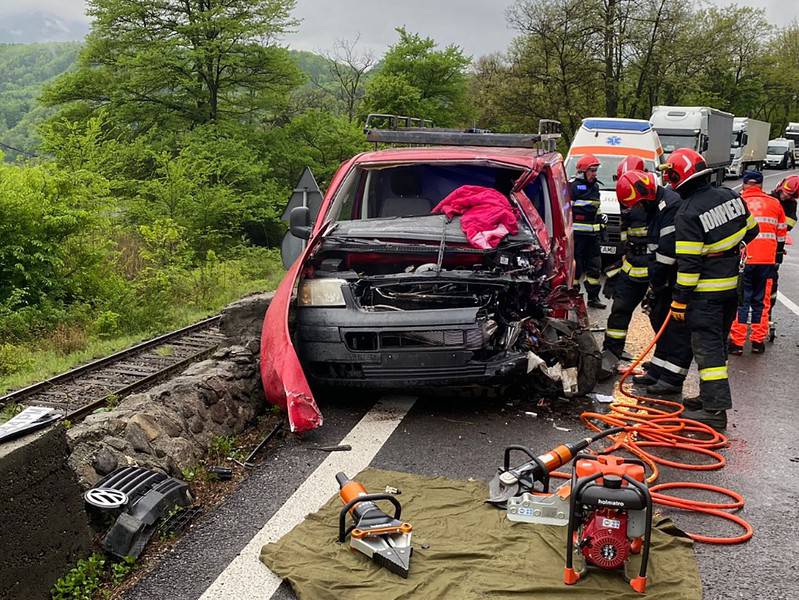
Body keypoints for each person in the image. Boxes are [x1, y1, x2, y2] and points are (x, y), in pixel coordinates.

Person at [661, 148, 758, 430]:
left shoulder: (687, 212)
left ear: (683, 175)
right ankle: (707, 397)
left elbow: (689, 266)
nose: (667, 179)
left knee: (708, 349)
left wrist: (679, 301)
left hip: (706, 295)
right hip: (731, 289)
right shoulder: (729, 195)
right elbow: (751, 231)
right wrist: (725, 249)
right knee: (717, 344)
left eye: (670, 174)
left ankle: (715, 412)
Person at [627, 172, 691, 396]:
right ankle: (658, 370)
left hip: (676, 277)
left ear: (646, 196)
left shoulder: (670, 207)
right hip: (665, 278)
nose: (638, 208)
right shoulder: (656, 207)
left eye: (639, 203)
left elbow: (666, 253)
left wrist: (656, 285)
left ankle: (673, 379)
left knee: (675, 328)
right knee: (659, 318)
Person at [600, 161, 659, 377]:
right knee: (619, 312)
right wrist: (616, 272)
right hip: (632, 265)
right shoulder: (624, 198)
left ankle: (662, 365)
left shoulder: (654, 200)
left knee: (658, 317)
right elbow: (624, 234)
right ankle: (610, 354)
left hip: (654, 269)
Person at [728, 171, 786, 354]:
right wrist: (777, 257)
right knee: (761, 302)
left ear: (744, 185)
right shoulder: (775, 203)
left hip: (743, 261)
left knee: (741, 301)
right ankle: (757, 342)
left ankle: (737, 343)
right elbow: (782, 233)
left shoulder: (737, 203)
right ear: (761, 186)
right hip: (766, 262)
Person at [765, 175, 799, 339]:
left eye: (790, 195)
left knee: (770, 284)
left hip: (774, 249)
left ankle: (767, 314)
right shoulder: (769, 198)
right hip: (763, 247)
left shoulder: (791, 205)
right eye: (786, 193)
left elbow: (789, 225)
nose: (786, 196)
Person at [570, 154, 606, 309]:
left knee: (594, 267)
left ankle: (593, 298)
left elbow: (597, 210)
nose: (594, 174)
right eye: (591, 170)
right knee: (576, 269)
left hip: (593, 237)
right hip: (577, 237)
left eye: (595, 170)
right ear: (583, 171)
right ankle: (573, 299)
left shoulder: (595, 187)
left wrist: (602, 228)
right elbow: (566, 211)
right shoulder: (573, 187)